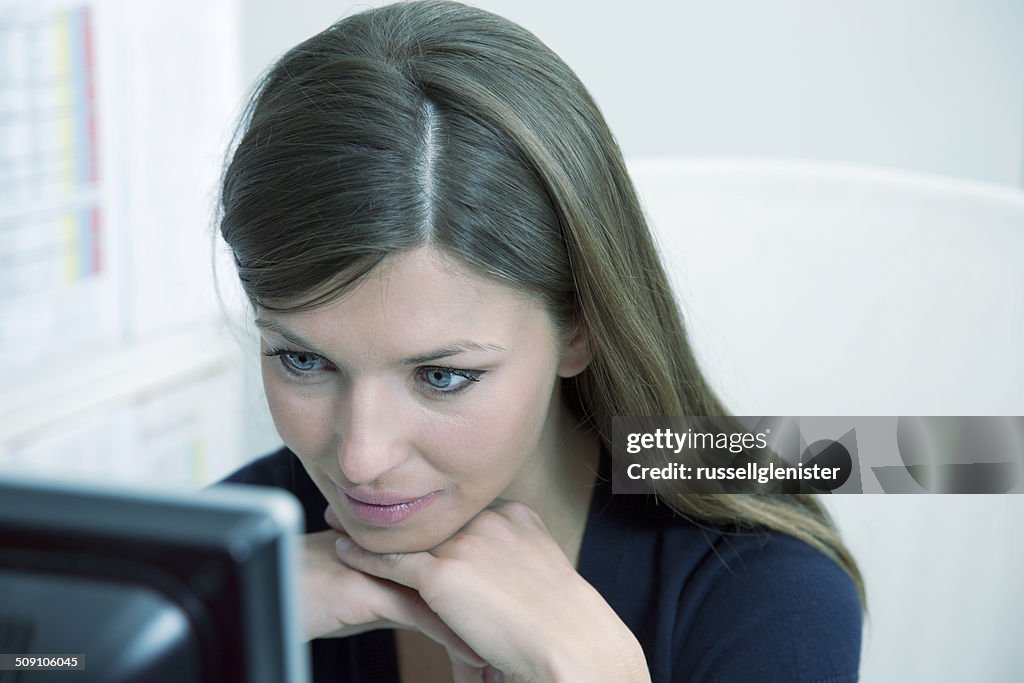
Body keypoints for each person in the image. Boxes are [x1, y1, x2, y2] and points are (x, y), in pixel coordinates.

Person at [217, 1, 864, 681]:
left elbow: (941, 454)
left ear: (579, 325)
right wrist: (202, 635)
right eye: (303, 360)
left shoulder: (765, 591)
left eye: (441, 375)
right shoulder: (212, 564)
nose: (360, 458)